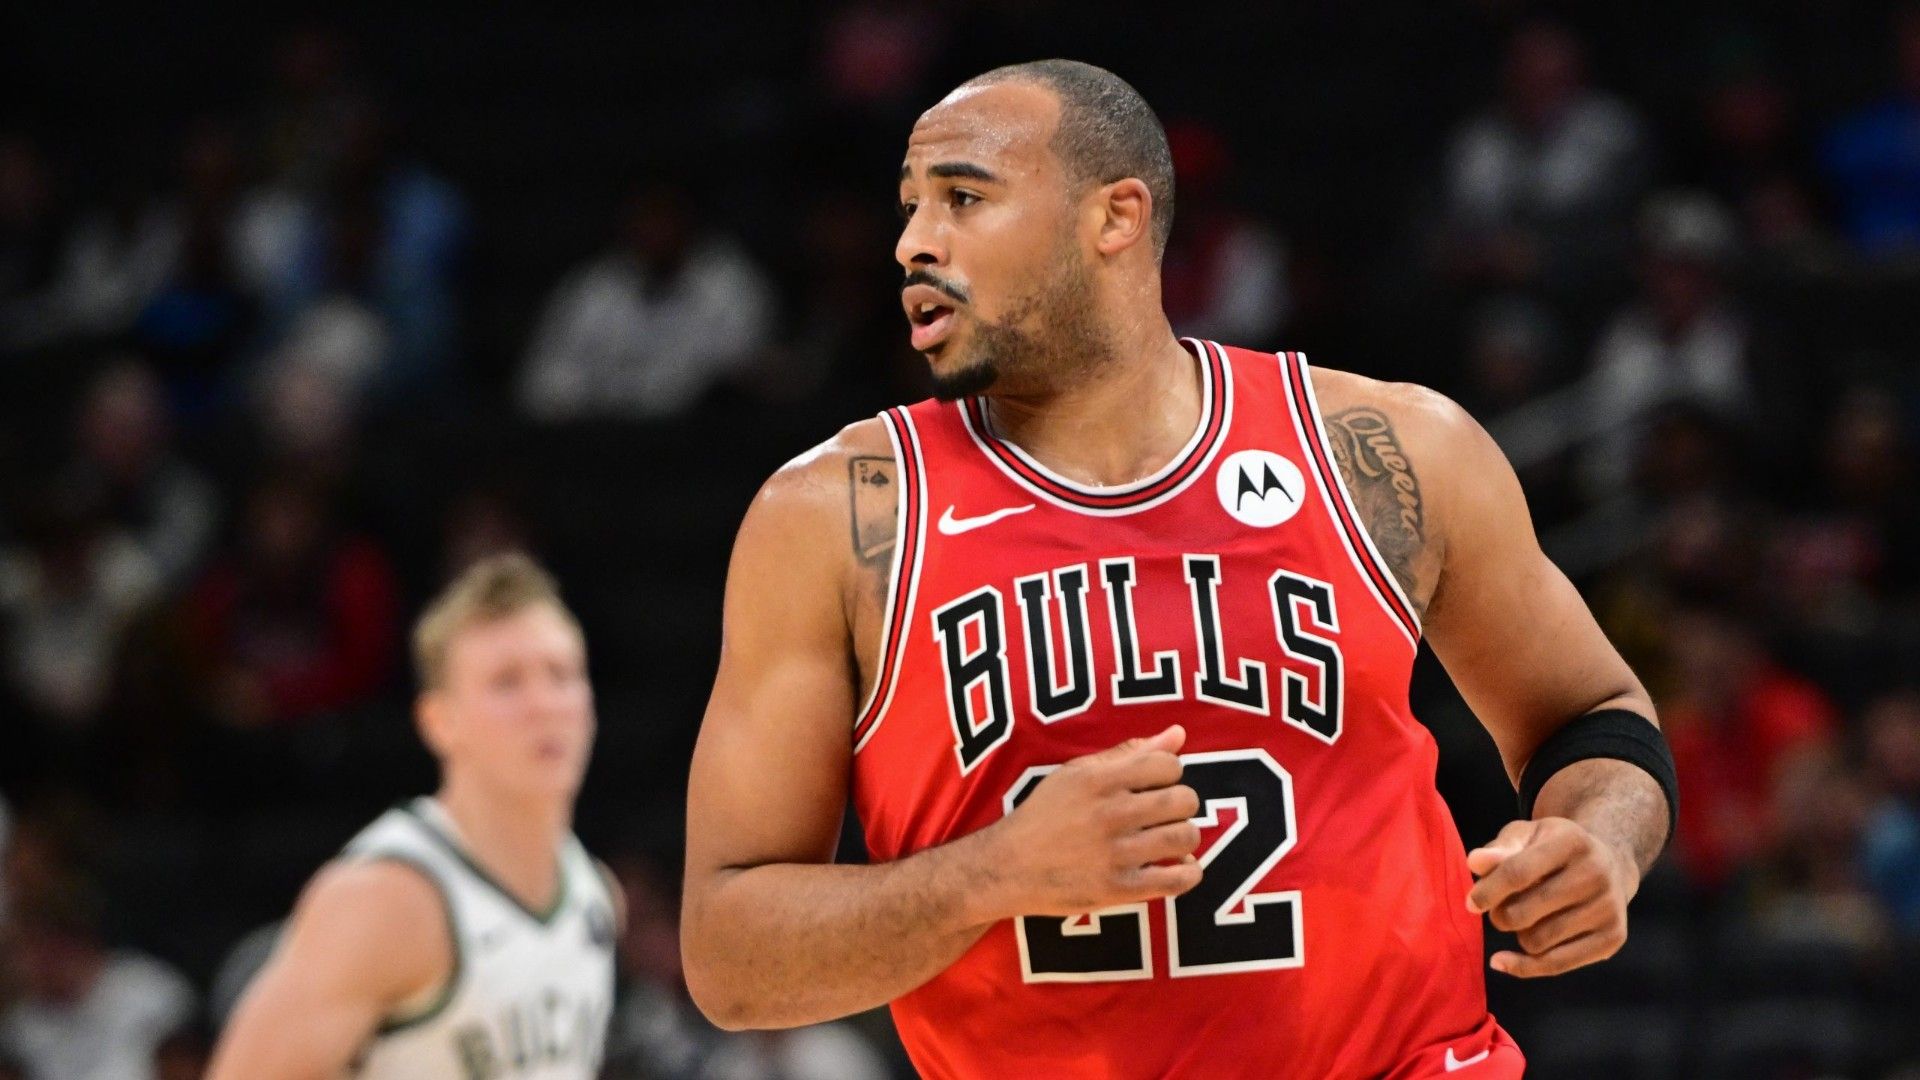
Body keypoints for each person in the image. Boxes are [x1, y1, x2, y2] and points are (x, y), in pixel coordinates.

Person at [681, 60, 1679, 1078]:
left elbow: (1591, 715)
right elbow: (730, 961)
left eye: (963, 199)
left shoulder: (1388, 451)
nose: (913, 243)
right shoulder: (835, 520)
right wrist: (992, 874)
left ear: (1115, 217)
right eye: (910, 208)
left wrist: (1600, 844)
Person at [207, 553, 619, 1078]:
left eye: (562, 675)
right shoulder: (385, 899)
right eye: (507, 682)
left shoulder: (596, 896)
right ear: (439, 721)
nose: (544, 704)